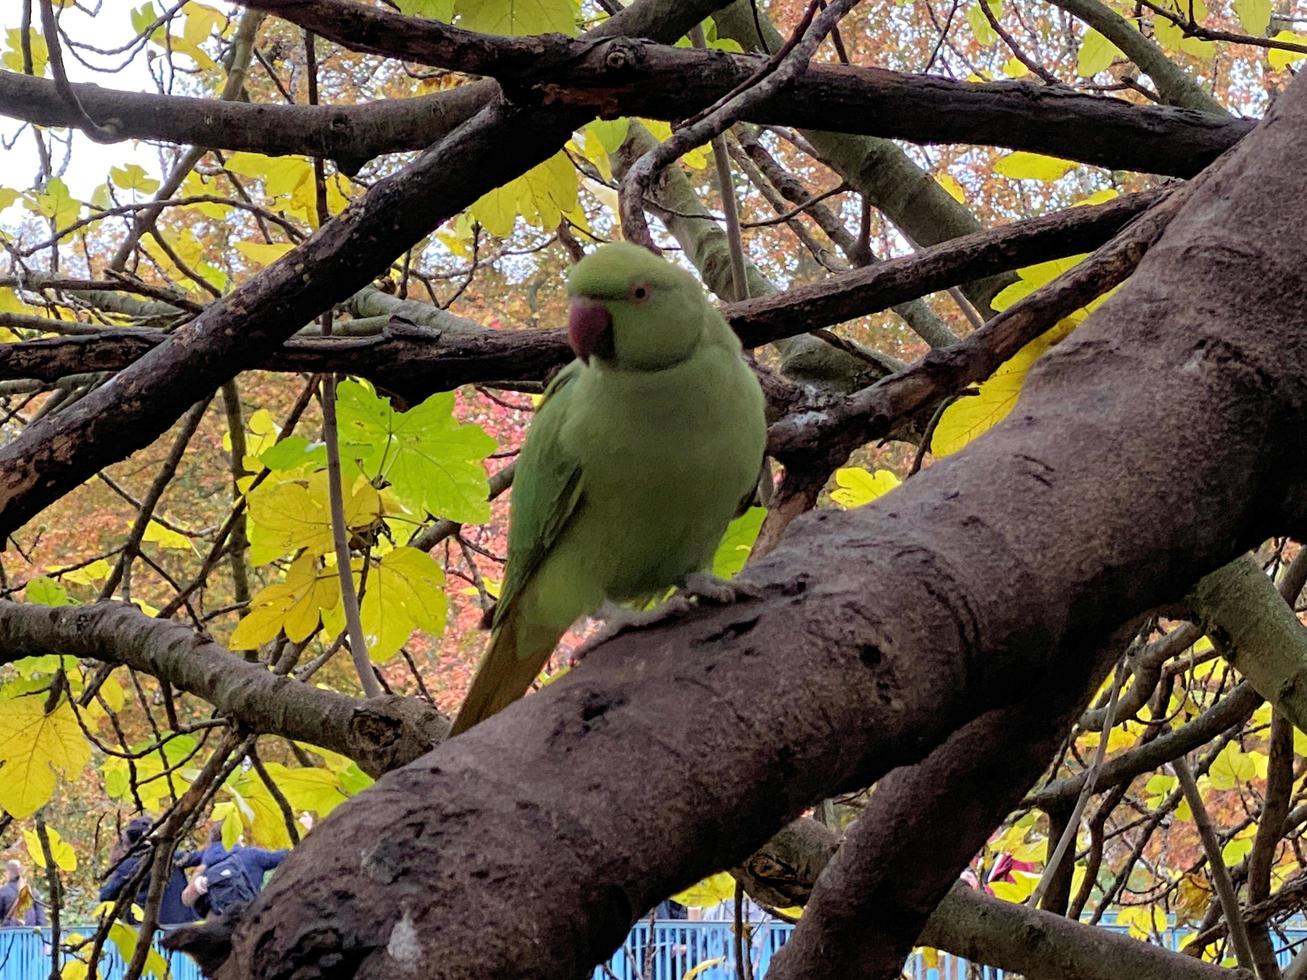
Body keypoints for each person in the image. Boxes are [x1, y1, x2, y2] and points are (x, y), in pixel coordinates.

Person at [99, 817, 197, 926]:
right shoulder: (174, 856)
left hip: (146, 931)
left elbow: (106, 895)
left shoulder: (128, 866)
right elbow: (202, 857)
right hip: (182, 927)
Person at [181, 822, 288, 918]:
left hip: (216, 921)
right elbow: (283, 856)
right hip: (247, 918)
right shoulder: (253, 855)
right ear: (236, 835)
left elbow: (186, 899)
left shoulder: (205, 859)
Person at [0, 859, 47, 927]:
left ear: (9, 872)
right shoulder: (33, 891)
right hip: (31, 932)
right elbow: (41, 918)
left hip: (10, 933)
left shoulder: (3, 891)